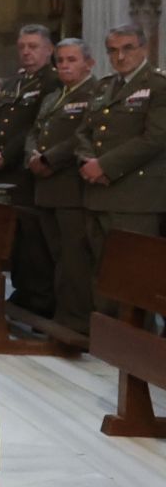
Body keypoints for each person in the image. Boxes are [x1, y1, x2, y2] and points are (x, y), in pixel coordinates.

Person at [81, 24, 166, 301]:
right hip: (99, 192)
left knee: (134, 276)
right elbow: (84, 131)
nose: (120, 56)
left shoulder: (158, 85)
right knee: (102, 273)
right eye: (113, 50)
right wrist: (88, 161)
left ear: (144, 48)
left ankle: (136, 343)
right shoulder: (105, 86)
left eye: (127, 48)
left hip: (135, 197)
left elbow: (155, 138)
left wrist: (104, 165)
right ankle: (106, 339)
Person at [26, 38, 103, 333]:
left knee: (74, 260)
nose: (65, 66)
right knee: (56, 256)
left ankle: (76, 319)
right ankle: (62, 313)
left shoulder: (95, 93)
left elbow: (81, 137)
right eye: (60, 60)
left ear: (89, 63)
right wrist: (32, 155)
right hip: (45, 186)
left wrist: (48, 158)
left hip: (70, 186)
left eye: (72, 60)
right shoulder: (53, 97)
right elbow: (35, 131)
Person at [0, 25, 60, 315]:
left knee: (35, 239)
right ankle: (23, 289)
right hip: (6, 169)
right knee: (15, 236)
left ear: (48, 50)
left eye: (33, 46)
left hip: (26, 169)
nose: (26, 52)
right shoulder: (16, 83)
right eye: (22, 47)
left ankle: (40, 297)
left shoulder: (52, 82)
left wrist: (6, 154)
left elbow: (34, 126)